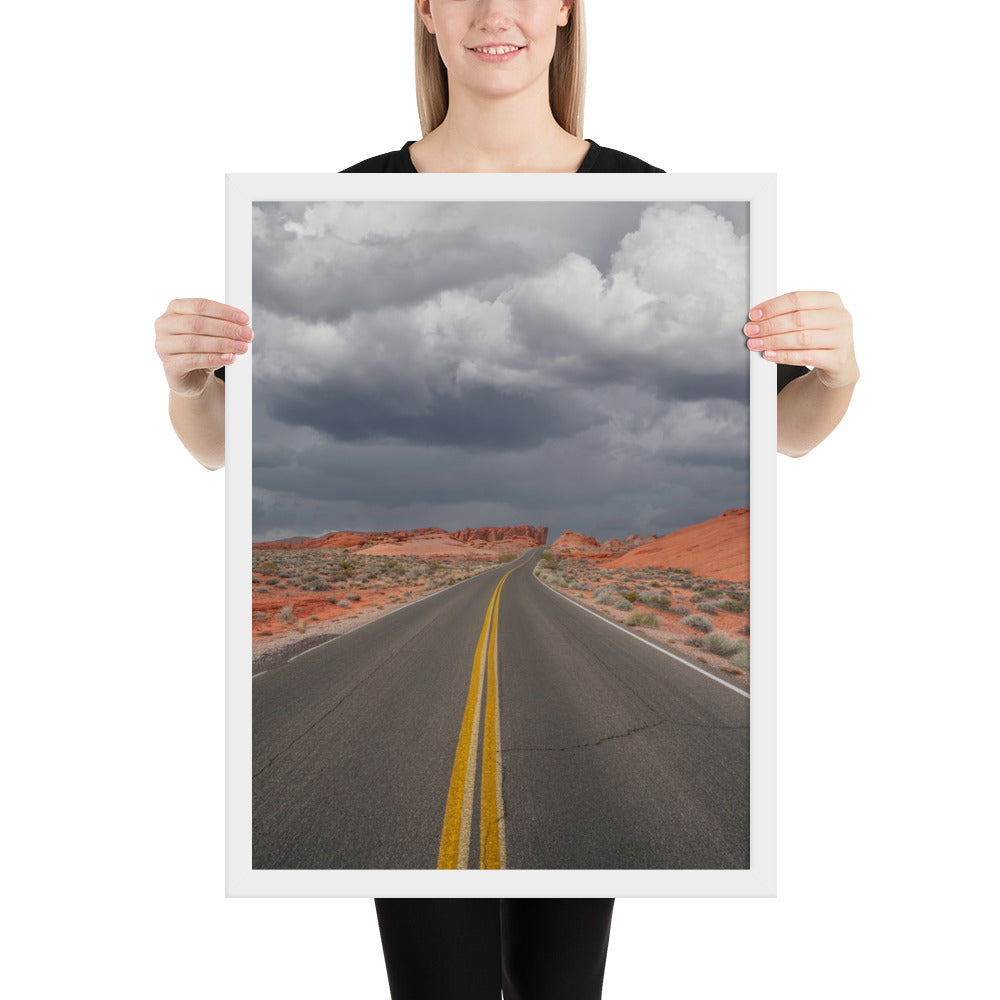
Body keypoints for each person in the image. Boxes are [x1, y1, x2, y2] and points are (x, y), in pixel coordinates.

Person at [154, 2, 859, 997]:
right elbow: (224, 448)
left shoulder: (652, 196)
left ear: (567, 10)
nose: (497, 13)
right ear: (427, 13)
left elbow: (777, 431)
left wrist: (836, 372)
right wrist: (189, 387)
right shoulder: (347, 200)